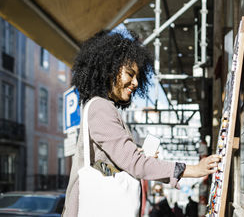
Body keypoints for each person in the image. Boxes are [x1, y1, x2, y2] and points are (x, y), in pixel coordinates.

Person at [63, 31, 220, 216]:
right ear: (108, 69)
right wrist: (193, 169)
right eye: (130, 74)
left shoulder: (102, 107)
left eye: (138, 76)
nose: (135, 83)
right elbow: (135, 165)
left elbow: (108, 164)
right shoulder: (100, 108)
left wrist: (134, 154)